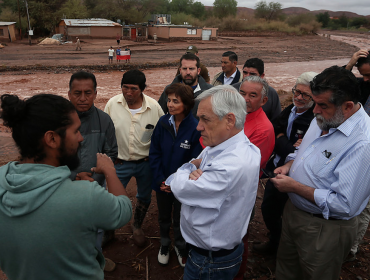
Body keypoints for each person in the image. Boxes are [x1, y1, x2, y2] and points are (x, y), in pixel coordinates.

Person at [0, 93, 132, 280]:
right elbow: (124, 210)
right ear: (52, 139)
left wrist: (71, 189)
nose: (81, 138)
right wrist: (109, 171)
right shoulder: (86, 196)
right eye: (76, 131)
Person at [271, 66, 370, 280]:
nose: (314, 110)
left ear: (348, 106)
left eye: (322, 105)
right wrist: (290, 166)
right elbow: (307, 151)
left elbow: (344, 205)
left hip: (325, 229)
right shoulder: (327, 116)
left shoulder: (363, 143)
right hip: (294, 213)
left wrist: (294, 187)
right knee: (286, 270)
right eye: (314, 103)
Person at [166, 85, 261, 280]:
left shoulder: (229, 166)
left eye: (205, 119)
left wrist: (186, 168)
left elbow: (179, 187)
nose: (198, 126)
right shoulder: (232, 145)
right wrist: (193, 167)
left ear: (229, 120)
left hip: (210, 262)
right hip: (212, 254)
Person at [253, 72, 317, 255]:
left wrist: (283, 141)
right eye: (297, 91)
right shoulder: (291, 109)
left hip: (297, 175)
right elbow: (275, 129)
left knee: (286, 211)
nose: (298, 97)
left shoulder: (315, 120)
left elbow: (299, 151)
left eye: (305, 95)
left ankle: (283, 248)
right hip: (279, 168)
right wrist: (285, 141)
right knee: (269, 207)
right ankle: (276, 242)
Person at [104, 69, 164, 247]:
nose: (128, 93)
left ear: (143, 89)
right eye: (125, 88)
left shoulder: (154, 108)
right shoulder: (112, 104)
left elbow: (161, 136)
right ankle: (109, 230)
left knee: (144, 197)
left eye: (133, 89)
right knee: (112, 199)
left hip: (145, 164)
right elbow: (106, 132)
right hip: (119, 163)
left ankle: (137, 225)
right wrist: (110, 156)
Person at [67, 71, 118, 270]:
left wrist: (93, 176)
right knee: (67, 226)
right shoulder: (59, 122)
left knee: (96, 227)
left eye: (88, 92)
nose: (82, 98)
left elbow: (111, 153)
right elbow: (50, 156)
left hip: (95, 185)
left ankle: (95, 261)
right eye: (77, 93)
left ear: (96, 93)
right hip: (64, 186)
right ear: (69, 93)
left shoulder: (104, 120)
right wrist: (73, 177)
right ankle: (72, 265)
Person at [149, 83, 203, 267]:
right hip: (162, 182)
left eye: (175, 101)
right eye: (169, 100)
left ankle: (180, 245)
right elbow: (154, 153)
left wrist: (178, 182)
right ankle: (165, 243)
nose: (170, 104)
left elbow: (194, 161)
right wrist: (160, 180)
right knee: (163, 215)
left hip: (183, 185)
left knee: (181, 216)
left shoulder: (195, 127)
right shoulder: (163, 122)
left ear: (186, 105)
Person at [233, 75, 275, 280]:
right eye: (242, 93)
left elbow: (246, 168)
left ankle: (237, 274)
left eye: (252, 95)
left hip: (241, 190)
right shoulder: (236, 114)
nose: (245, 99)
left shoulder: (263, 129)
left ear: (264, 101)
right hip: (226, 183)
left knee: (239, 234)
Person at [344, 49, 370, 262]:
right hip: (352, 148)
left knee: (364, 205)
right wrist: (350, 63)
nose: (366, 79)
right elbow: (338, 86)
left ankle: (351, 249)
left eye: (369, 75)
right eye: (363, 74)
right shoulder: (360, 85)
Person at [158, 53, 212, 118]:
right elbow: (159, 114)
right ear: (180, 70)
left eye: (191, 69)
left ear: (198, 71)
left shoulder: (210, 92)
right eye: (184, 69)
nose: (188, 72)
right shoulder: (169, 90)